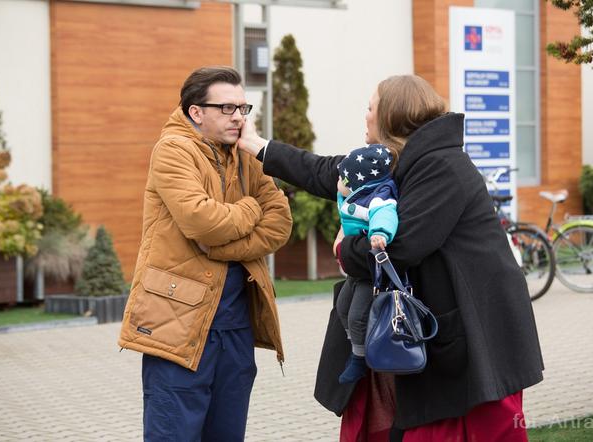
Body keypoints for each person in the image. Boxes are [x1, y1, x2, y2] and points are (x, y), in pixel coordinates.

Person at [237, 74, 543, 441]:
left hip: (475, 335)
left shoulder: (442, 167)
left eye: (371, 106)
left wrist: (343, 249)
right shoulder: (395, 160)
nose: (365, 115)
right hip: (442, 332)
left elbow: (400, 248)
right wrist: (256, 145)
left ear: (390, 116)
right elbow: (325, 171)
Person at [118, 66, 292, 441]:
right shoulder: (172, 150)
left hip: (236, 327)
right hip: (177, 323)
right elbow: (202, 221)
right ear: (196, 112)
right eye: (227, 108)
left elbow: (279, 223)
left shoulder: (246, 153)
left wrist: (221, 244)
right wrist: (250, 209)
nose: (238, 118)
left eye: (244, 108)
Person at [334, 144, 399, 384]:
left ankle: (359, 358)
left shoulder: (378, 197)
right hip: (355, 269)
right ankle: (355, 345)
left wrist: (380, 233)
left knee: (357, 316)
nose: (338, 181)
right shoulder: (358, 192)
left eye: (343, 178)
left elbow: (385, 214)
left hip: (370, 272)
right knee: (342, 306)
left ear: (358, 183)